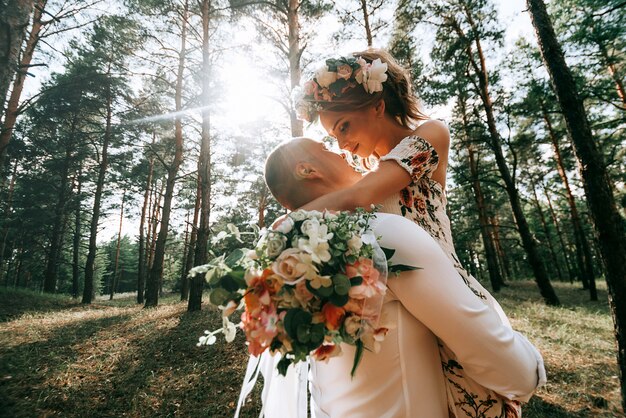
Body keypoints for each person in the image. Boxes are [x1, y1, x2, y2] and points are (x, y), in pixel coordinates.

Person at [291, 49, 516, 416]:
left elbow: (361, 196)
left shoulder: (430, 135)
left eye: (343, 126)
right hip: (406, 322)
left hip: (451, 304)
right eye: (333, 137)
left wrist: (285, 225)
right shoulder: (363, 178)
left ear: (377, 105)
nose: (342, 145)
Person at [261, 137, 546, 418]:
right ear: (307, 170)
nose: (342, 151)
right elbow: (496, 357)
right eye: (325, 148)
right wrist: (531, 367)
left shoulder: (290, 268)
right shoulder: (381, 237)